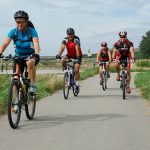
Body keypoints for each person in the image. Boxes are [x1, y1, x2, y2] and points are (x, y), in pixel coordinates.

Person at [0, 10, 40, 93]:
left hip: (31, 55)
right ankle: (16, 102)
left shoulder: (31, 31)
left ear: (26, 22)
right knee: (15, 79)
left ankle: (32, 84)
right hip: (19, 56)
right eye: (17, 22)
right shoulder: (13, 31)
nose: (19, 24)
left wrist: (36, 53)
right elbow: (5, 43)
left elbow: (36, 43)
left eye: (22, 22)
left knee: (30, 63)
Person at [56, 28, 82, 93]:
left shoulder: (76, 39)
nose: (70, 35)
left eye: (71, 34)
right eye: (68, 34)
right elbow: (62, 47)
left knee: (76, 70)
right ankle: (66, 73)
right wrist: (59, 54)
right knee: (63, 61)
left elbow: (77, 48)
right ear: (67, 34)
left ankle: (77, 85)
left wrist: (78, 57)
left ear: (74, 34)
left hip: (77, 55)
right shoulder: (65, 39)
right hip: (69, 55)